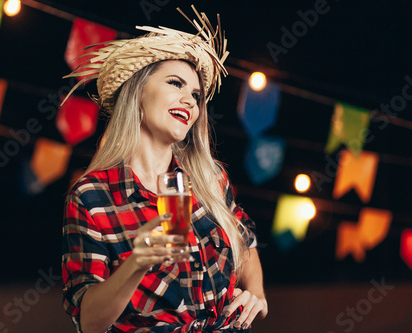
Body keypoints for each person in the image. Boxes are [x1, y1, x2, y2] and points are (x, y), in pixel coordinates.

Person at [62, 6, 268, 333]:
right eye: (176, 83)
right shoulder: (91, 196)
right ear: (139, 91)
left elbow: (247, 243)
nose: (190, 100)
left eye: (197, 95)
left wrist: (256, 293)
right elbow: (89, 321)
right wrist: (137, 262)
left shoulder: (211, 178)